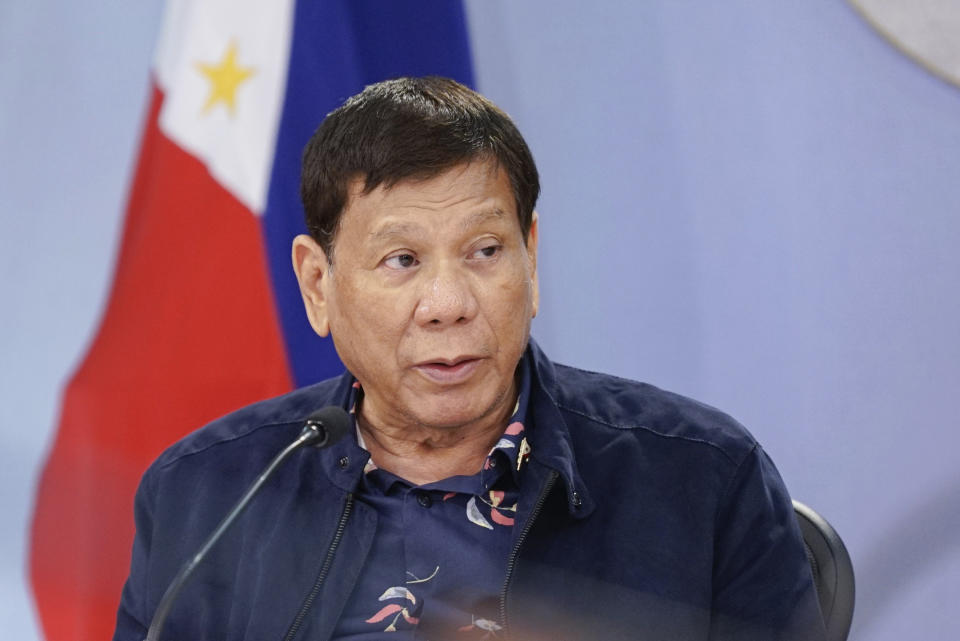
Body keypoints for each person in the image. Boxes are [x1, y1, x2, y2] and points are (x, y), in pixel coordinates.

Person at [113, 77, 826, 641]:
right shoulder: (205, 497)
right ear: (317, 285)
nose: (447, 302)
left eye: (485, 251)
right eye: (402, 260)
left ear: (531, 257)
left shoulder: (703, 484)